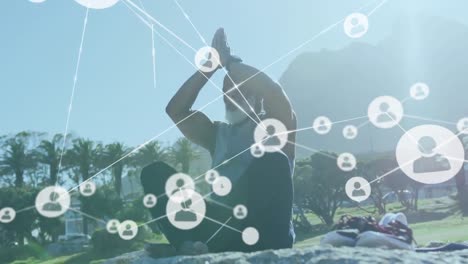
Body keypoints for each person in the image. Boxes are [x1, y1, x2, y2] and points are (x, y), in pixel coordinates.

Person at [141, 28, 297, 254]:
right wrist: (211, 66)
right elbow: (176, 111)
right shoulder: (216, 135)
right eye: (225, 92)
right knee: (154, 173)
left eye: (237, 91)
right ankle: (185, 246)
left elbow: (273, 91)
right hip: (223, 233)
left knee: (273, 158)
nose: (228, 97)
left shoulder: (279, 125)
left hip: (267, 234)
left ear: (256, 96)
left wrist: (230, 64)